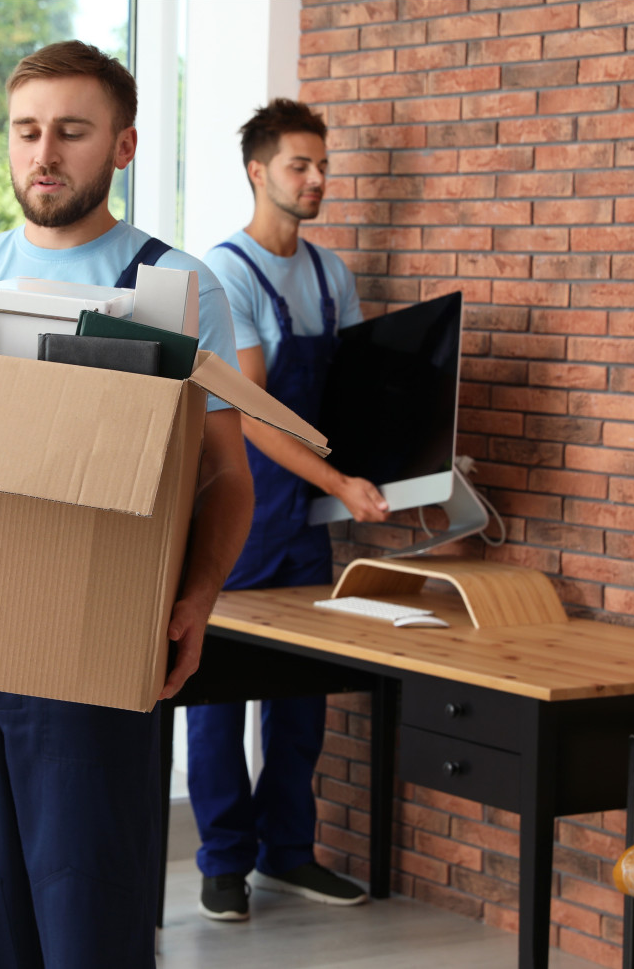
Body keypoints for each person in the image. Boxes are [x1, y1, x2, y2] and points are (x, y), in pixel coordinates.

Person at [0, 41, 254, 969]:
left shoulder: (173, 291)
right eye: (26, 131)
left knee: (92, 916)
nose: (43, 152)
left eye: (71, 131)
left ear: (122, 147)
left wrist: (199, 597)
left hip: (98, 645)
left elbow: (224, 475)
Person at [186, 98, 389, 922]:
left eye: (322, 165)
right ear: (257, 171)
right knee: (216, 700)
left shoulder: (329, 273)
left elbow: (351, 397)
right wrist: (342, 486)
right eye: (299, 165)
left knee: (300, 699)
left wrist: (406, 470)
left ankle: (289, 852)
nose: (315, 180)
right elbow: (253, 414)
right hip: (235, 515)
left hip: (304, 527)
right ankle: (223, 863)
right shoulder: (222, 272)